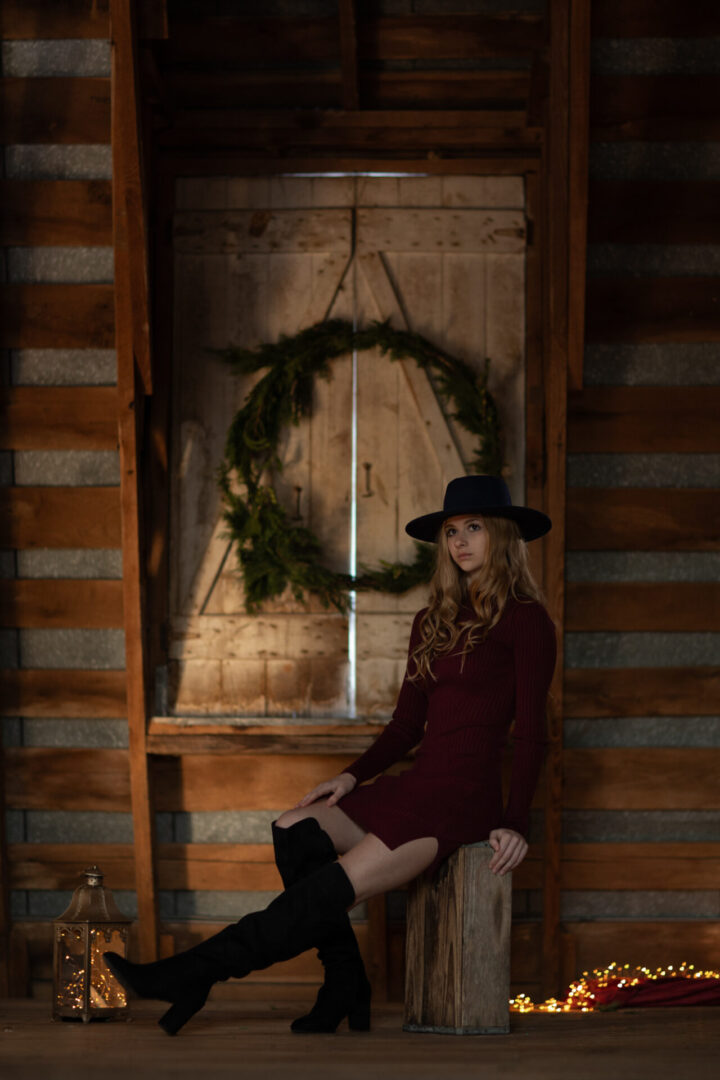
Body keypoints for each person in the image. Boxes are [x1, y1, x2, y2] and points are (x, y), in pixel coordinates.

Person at [105, 475, 556, 1037]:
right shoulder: (432, 622)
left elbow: (534, 733)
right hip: (417, 784)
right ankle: (344, 979)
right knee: (294, 826)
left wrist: (515, 823)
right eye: (450, 531)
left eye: (474, 528)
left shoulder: (526, 621)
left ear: (503, 535)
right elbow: (405, 725)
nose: (460, 542)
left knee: (331, 885)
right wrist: (349, 776)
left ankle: (191, 973)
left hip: (462, 800)